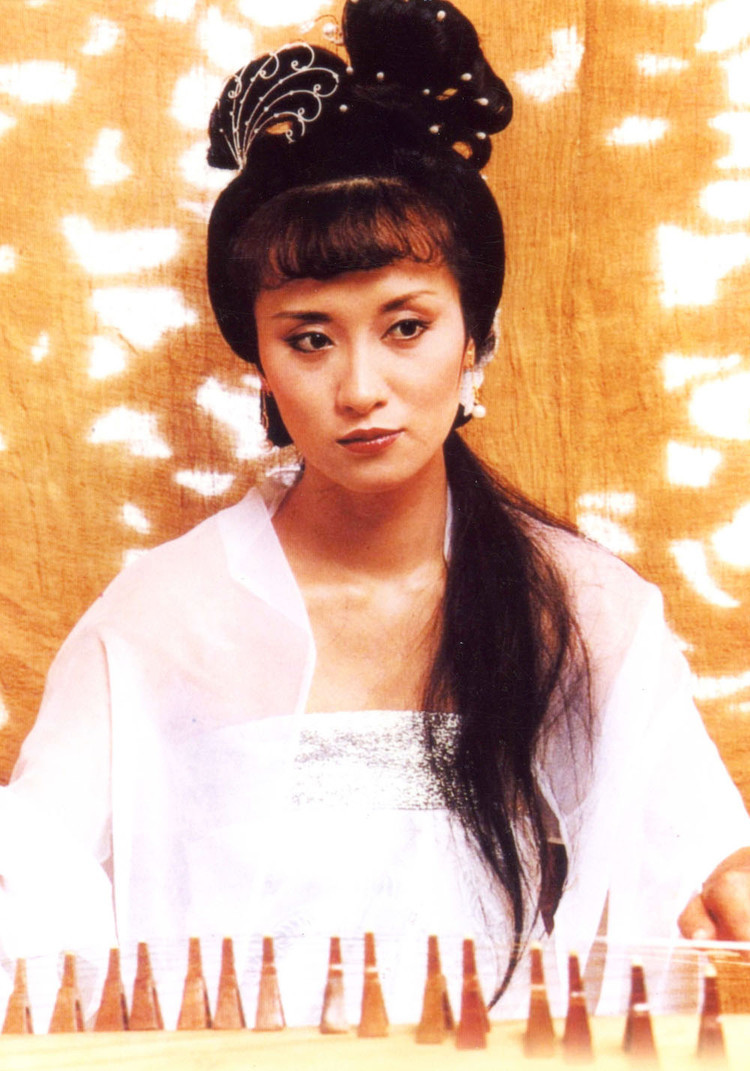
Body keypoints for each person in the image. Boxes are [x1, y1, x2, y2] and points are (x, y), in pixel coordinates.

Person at [1, 0, 750, 1029]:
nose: (361, 389)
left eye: (406, 327)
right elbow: (30, 885)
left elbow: (699, 869)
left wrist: (722, 886)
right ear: (260, 363)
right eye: (309, 338)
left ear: (473, 339)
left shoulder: (582, 609)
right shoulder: (160, 619)